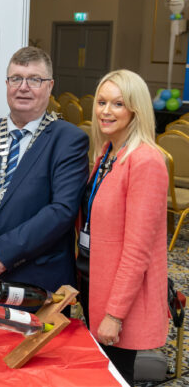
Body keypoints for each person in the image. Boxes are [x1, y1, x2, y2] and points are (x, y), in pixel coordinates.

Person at [0, 47, 88, 305]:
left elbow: (62, 210)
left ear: (50, 86)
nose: (23, 87)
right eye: (16, 78)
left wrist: (3, 251)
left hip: (38, 282)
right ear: (6, 84)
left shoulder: (69, 140)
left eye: (34, 79)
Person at [77, 69, 168, 386]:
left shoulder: (146, 161)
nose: (105, 111)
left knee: (116, 377)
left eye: (118, 104)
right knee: (100, 374)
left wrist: (114, 314)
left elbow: (137, 251)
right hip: (94, 281)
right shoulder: (107, 153)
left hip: (119, 297)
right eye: (101, 102)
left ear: (136, 109)